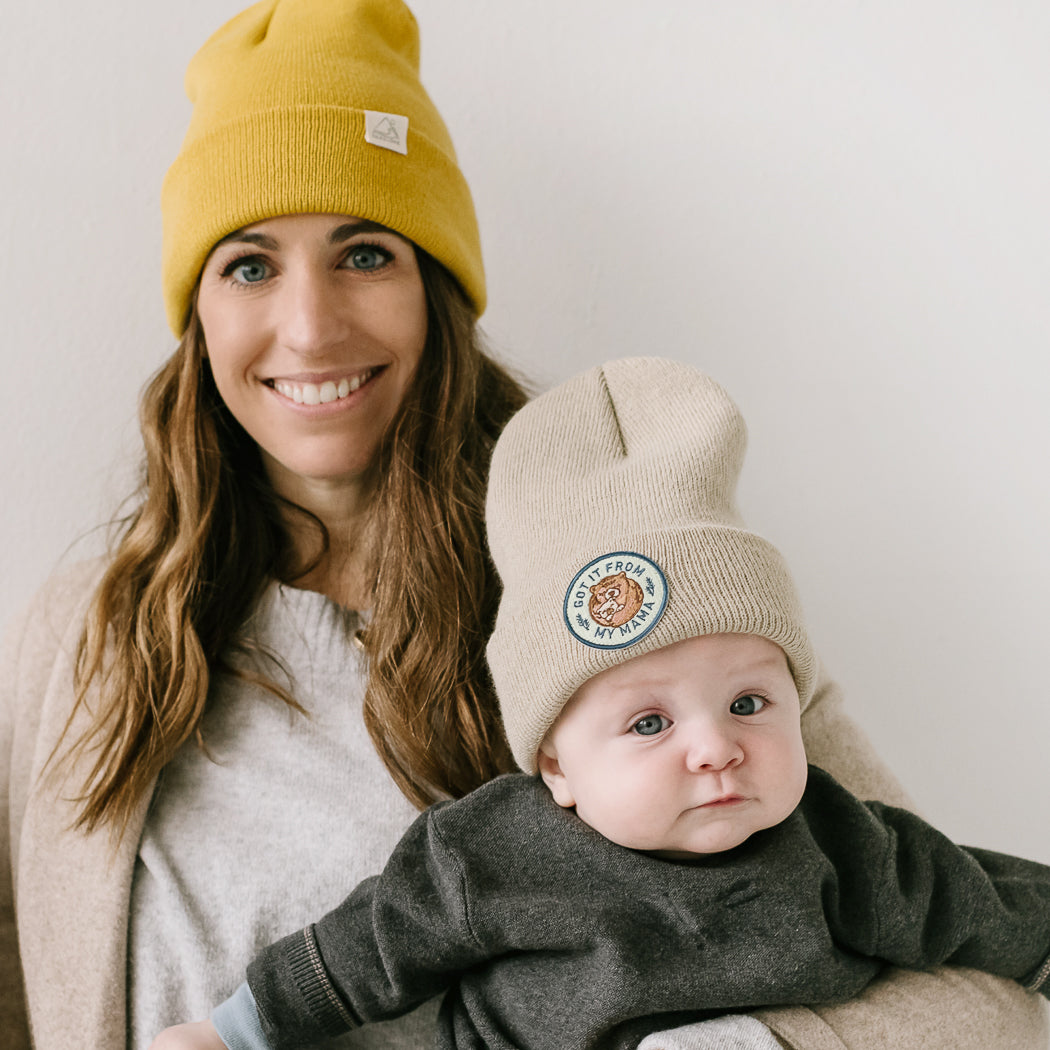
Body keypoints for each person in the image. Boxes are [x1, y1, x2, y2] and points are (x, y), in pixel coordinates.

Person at [0, 1, 1045, 1049]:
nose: (311, 325)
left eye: (366, 253)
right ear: (199, 312)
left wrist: (740, 1044)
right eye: (249, 264)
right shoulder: (89, 636)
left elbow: (971, 990)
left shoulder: (627, 586)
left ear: (435, 290)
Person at [148, 358, 1050, 1050]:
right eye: (650, 723)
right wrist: (232, 1031)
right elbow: (364, 951)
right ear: (555, 765)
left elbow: (985, 907)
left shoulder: (843, 839)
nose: (715, 749)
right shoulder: (492, 854)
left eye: (749, 702)